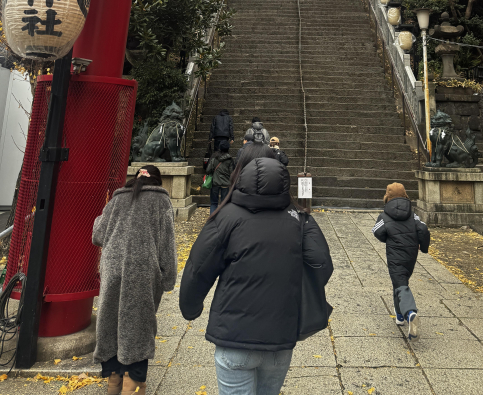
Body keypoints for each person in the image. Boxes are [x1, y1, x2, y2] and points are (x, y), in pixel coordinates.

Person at [179, 145, 333, 395]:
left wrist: (191, 308)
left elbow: (198, 269)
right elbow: (321, 264)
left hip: (234, 336)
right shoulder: (299, 218)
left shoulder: (225, 216)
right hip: (280, 338)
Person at [93, 165, 177, 395]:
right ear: (157, 182)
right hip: (142, 271)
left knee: (110, 321)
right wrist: (168, 277)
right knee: (138, 325)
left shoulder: (117, 199)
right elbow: (167, 244)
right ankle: (133, 381)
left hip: (113, 268)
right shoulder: (160, 201)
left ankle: (113, 380)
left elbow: (98, 234)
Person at [372, 182, 430, 340]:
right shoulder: (413, 215)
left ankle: (410, 312)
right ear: (405, 195)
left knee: (401, 284)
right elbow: (423, 229)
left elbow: (376, 231)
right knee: (400, 282)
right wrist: (423, 247)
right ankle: (399, 315)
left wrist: (387, 238)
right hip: (411, 254)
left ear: (387, 197)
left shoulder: (384, 215)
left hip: (395, 254)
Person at [206, 139, 235, 214]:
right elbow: (232, 172)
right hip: (225, 183)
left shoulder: (214, 157)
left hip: (215, 182)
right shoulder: (230, 159)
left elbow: (208, 170)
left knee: (214, 203)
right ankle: (222, 219)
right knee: (224, 203)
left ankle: (212, 219)